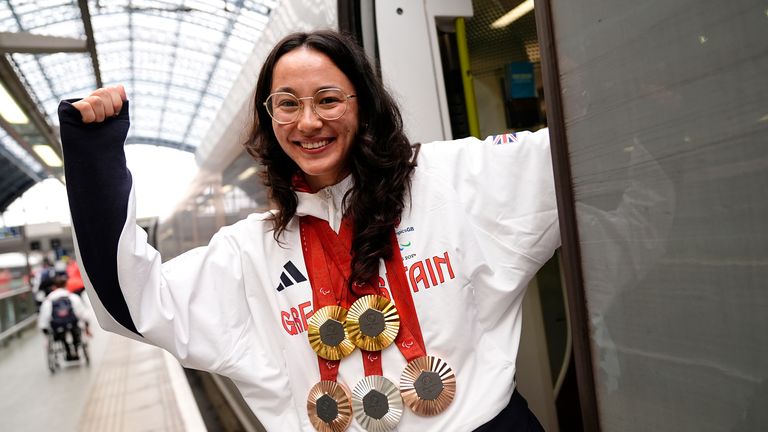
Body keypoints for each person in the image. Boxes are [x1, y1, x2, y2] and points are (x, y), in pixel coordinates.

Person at [58, 30, 559, 431]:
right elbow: (135, 305)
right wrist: (94, 157)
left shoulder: (450, 177)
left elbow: (570, 155)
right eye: (288, 104)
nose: (309, 122)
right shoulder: (251, 251)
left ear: (363, 102)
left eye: (328, 99)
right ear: (270, 118)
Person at [38, 275, 90, 361]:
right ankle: (76, 350)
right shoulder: (72, 297)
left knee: (59, 333)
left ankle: (67, 352)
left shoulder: (48, 300)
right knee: (76, 331)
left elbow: (44, 317)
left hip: (57, 326)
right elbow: (82, 313)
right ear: (66, 285)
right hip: (72, 324)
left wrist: (44, 329)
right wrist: (86, 324)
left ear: (54, 287)